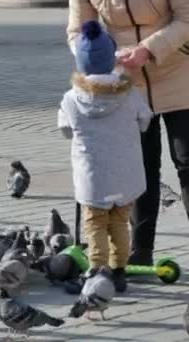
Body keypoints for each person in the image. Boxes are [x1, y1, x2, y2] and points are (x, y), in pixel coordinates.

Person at [68, 0, 189, 266]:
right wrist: (100, 59)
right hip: (126, 81)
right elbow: (77, 32)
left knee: (187, 160)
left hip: (180, 71)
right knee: (140, 167)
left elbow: (186, 19)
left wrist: (147, 49)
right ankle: (140, 252)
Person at [58, 20, 153, 292]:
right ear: (111, 60)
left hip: (93, 178)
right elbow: (146, 121)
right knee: (120, 223)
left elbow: (65, 130)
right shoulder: (130, 93)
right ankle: (119, 271)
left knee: (96, 224)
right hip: (126, 177)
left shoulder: (70, 99)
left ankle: (96, 271)